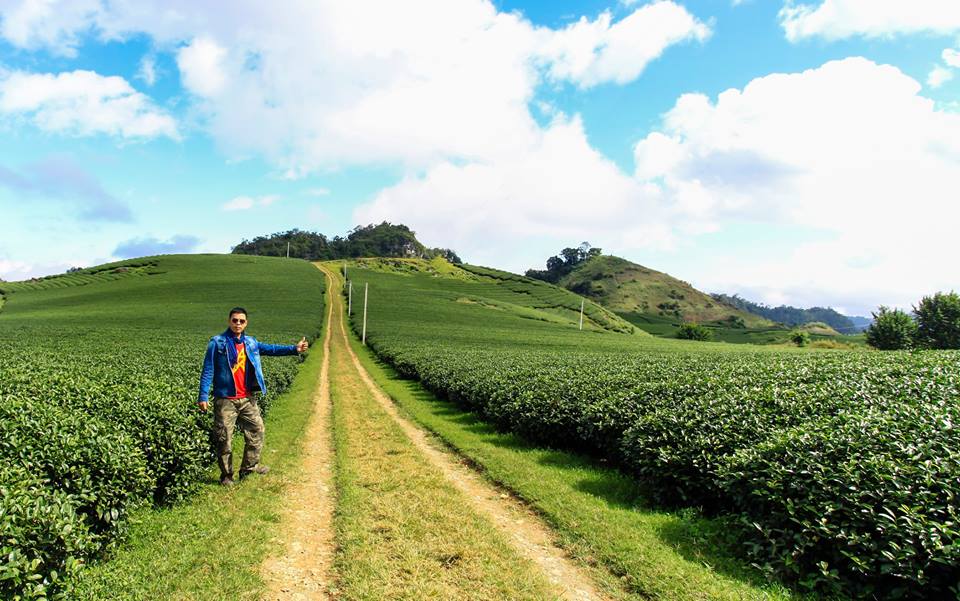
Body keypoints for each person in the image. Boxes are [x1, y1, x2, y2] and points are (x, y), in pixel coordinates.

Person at [198, 306, 308, 486]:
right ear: (229, 321)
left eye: (241, 321)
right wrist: (203, 395)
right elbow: (208, 370)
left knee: (257, 430)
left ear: (246, 323)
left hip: (247, 398)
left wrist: (294, 349)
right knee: (224, 439)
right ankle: (226, 476)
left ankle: (248, 469)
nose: (238, 324)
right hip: (226, 400)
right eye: (235, 320)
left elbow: (272, 349)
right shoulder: (217, 343)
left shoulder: (250, 342)